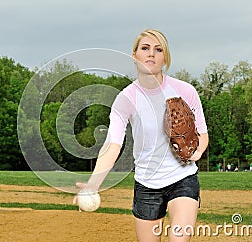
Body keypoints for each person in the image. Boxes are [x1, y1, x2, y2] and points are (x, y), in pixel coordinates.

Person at [73, 29, 209, 242]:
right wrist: (93, 184)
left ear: (165, 58)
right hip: (146, 184)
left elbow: (202, 133)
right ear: (134, 56)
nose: (151, 54)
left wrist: (197, 151)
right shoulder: (126, 98)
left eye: (158, 49)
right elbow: (112, 145)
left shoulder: (185, 90)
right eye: (145, 48)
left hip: (182, 178)